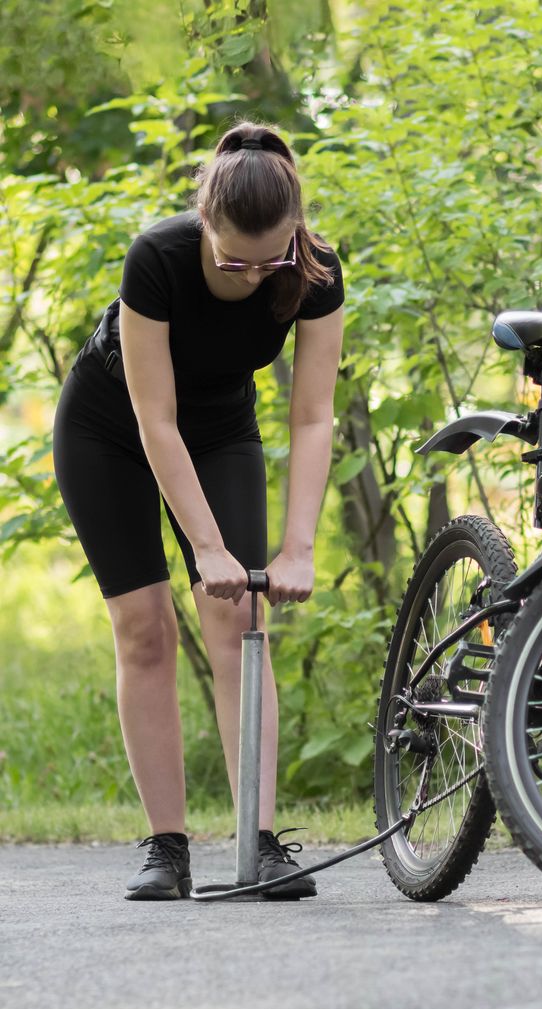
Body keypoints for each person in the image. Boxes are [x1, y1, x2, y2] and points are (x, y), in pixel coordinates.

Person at [52, 120, 344, 901]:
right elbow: (154, 418)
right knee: (143, 624)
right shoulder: (158, 256)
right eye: (233, 261)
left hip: (220, 427)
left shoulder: (314, 271)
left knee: (242, 620)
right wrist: (206, 545)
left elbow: (313, 416)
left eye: (270, 259)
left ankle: (260, 839)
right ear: (205, 221)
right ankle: (166, 847)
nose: (253, 276)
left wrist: (298, 549)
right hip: (110, 427)